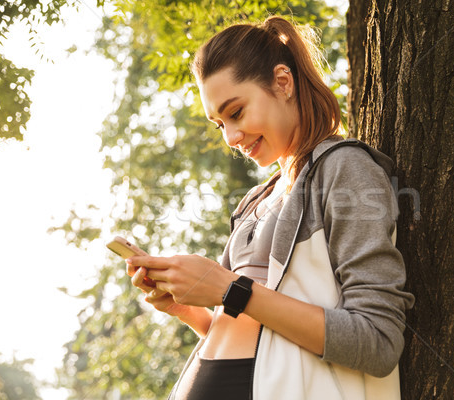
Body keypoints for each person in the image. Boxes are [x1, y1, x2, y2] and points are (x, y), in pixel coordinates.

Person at [126, 15, 415, 400]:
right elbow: (252, 328)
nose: (230, 137)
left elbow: (377, 341)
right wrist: (185, 308)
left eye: (236, 112)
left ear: (283, 83)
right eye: (218, 124)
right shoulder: (256, 200)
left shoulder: (345, 170)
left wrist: (227, 285)